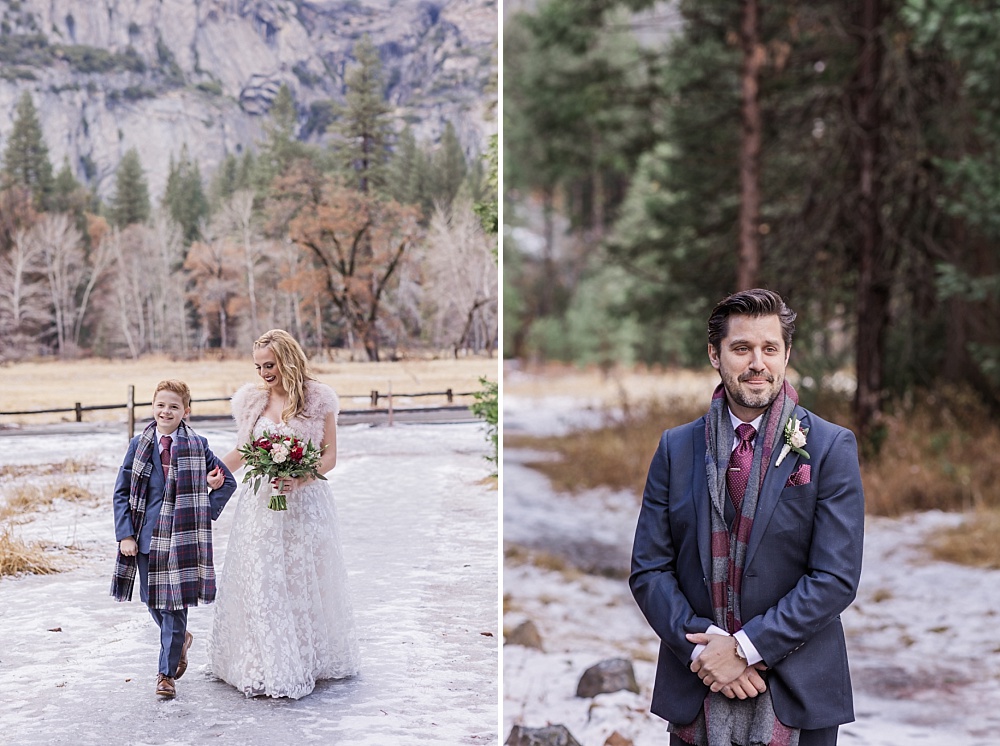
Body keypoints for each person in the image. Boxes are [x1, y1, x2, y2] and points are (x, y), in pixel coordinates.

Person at [629, 289, 865, 746]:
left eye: (769, 348)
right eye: (742, 348)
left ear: (786, 354)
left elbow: (835, 577)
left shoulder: (831, 447)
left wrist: (744, 648)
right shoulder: (676, 449)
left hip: (799, 689)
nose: (758, 362)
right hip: (697, 686)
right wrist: (707, 651)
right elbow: (649, 570)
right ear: (715, 355)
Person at [208, 329, 360, 699]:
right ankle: (264, 659)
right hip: (261, 505)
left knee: (300, 578)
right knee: (262, 577)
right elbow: (245, 450)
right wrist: (216, 472)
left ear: (288, 360)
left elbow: (329, 457)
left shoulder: (319, 399)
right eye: (259, 365)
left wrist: (301, 479)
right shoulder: (251, 401)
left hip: (304, 505)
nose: (264, 372)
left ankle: (306, 658)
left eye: (270, 365)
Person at [111, 379, 237, 699]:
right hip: (144, 538)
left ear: (186, 411)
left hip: (181, 539)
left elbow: (227, 482)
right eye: (161, 405)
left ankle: (165, 675)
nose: (166, 411)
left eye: (174, 406)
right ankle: (180, 639)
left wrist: (202, 510)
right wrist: (125, 534)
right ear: (153, 408)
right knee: (152, 600)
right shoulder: (138, 444)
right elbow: (121, 493)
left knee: (173, 606)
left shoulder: (199, 446)